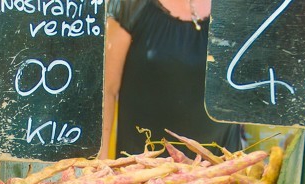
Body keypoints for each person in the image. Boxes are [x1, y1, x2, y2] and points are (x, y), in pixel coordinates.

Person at [102, 0, 243, 157]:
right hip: (145, 167)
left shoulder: (240, 6)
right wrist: (100, 161)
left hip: (224, 165)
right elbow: (106, 89)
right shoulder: (130, 4)